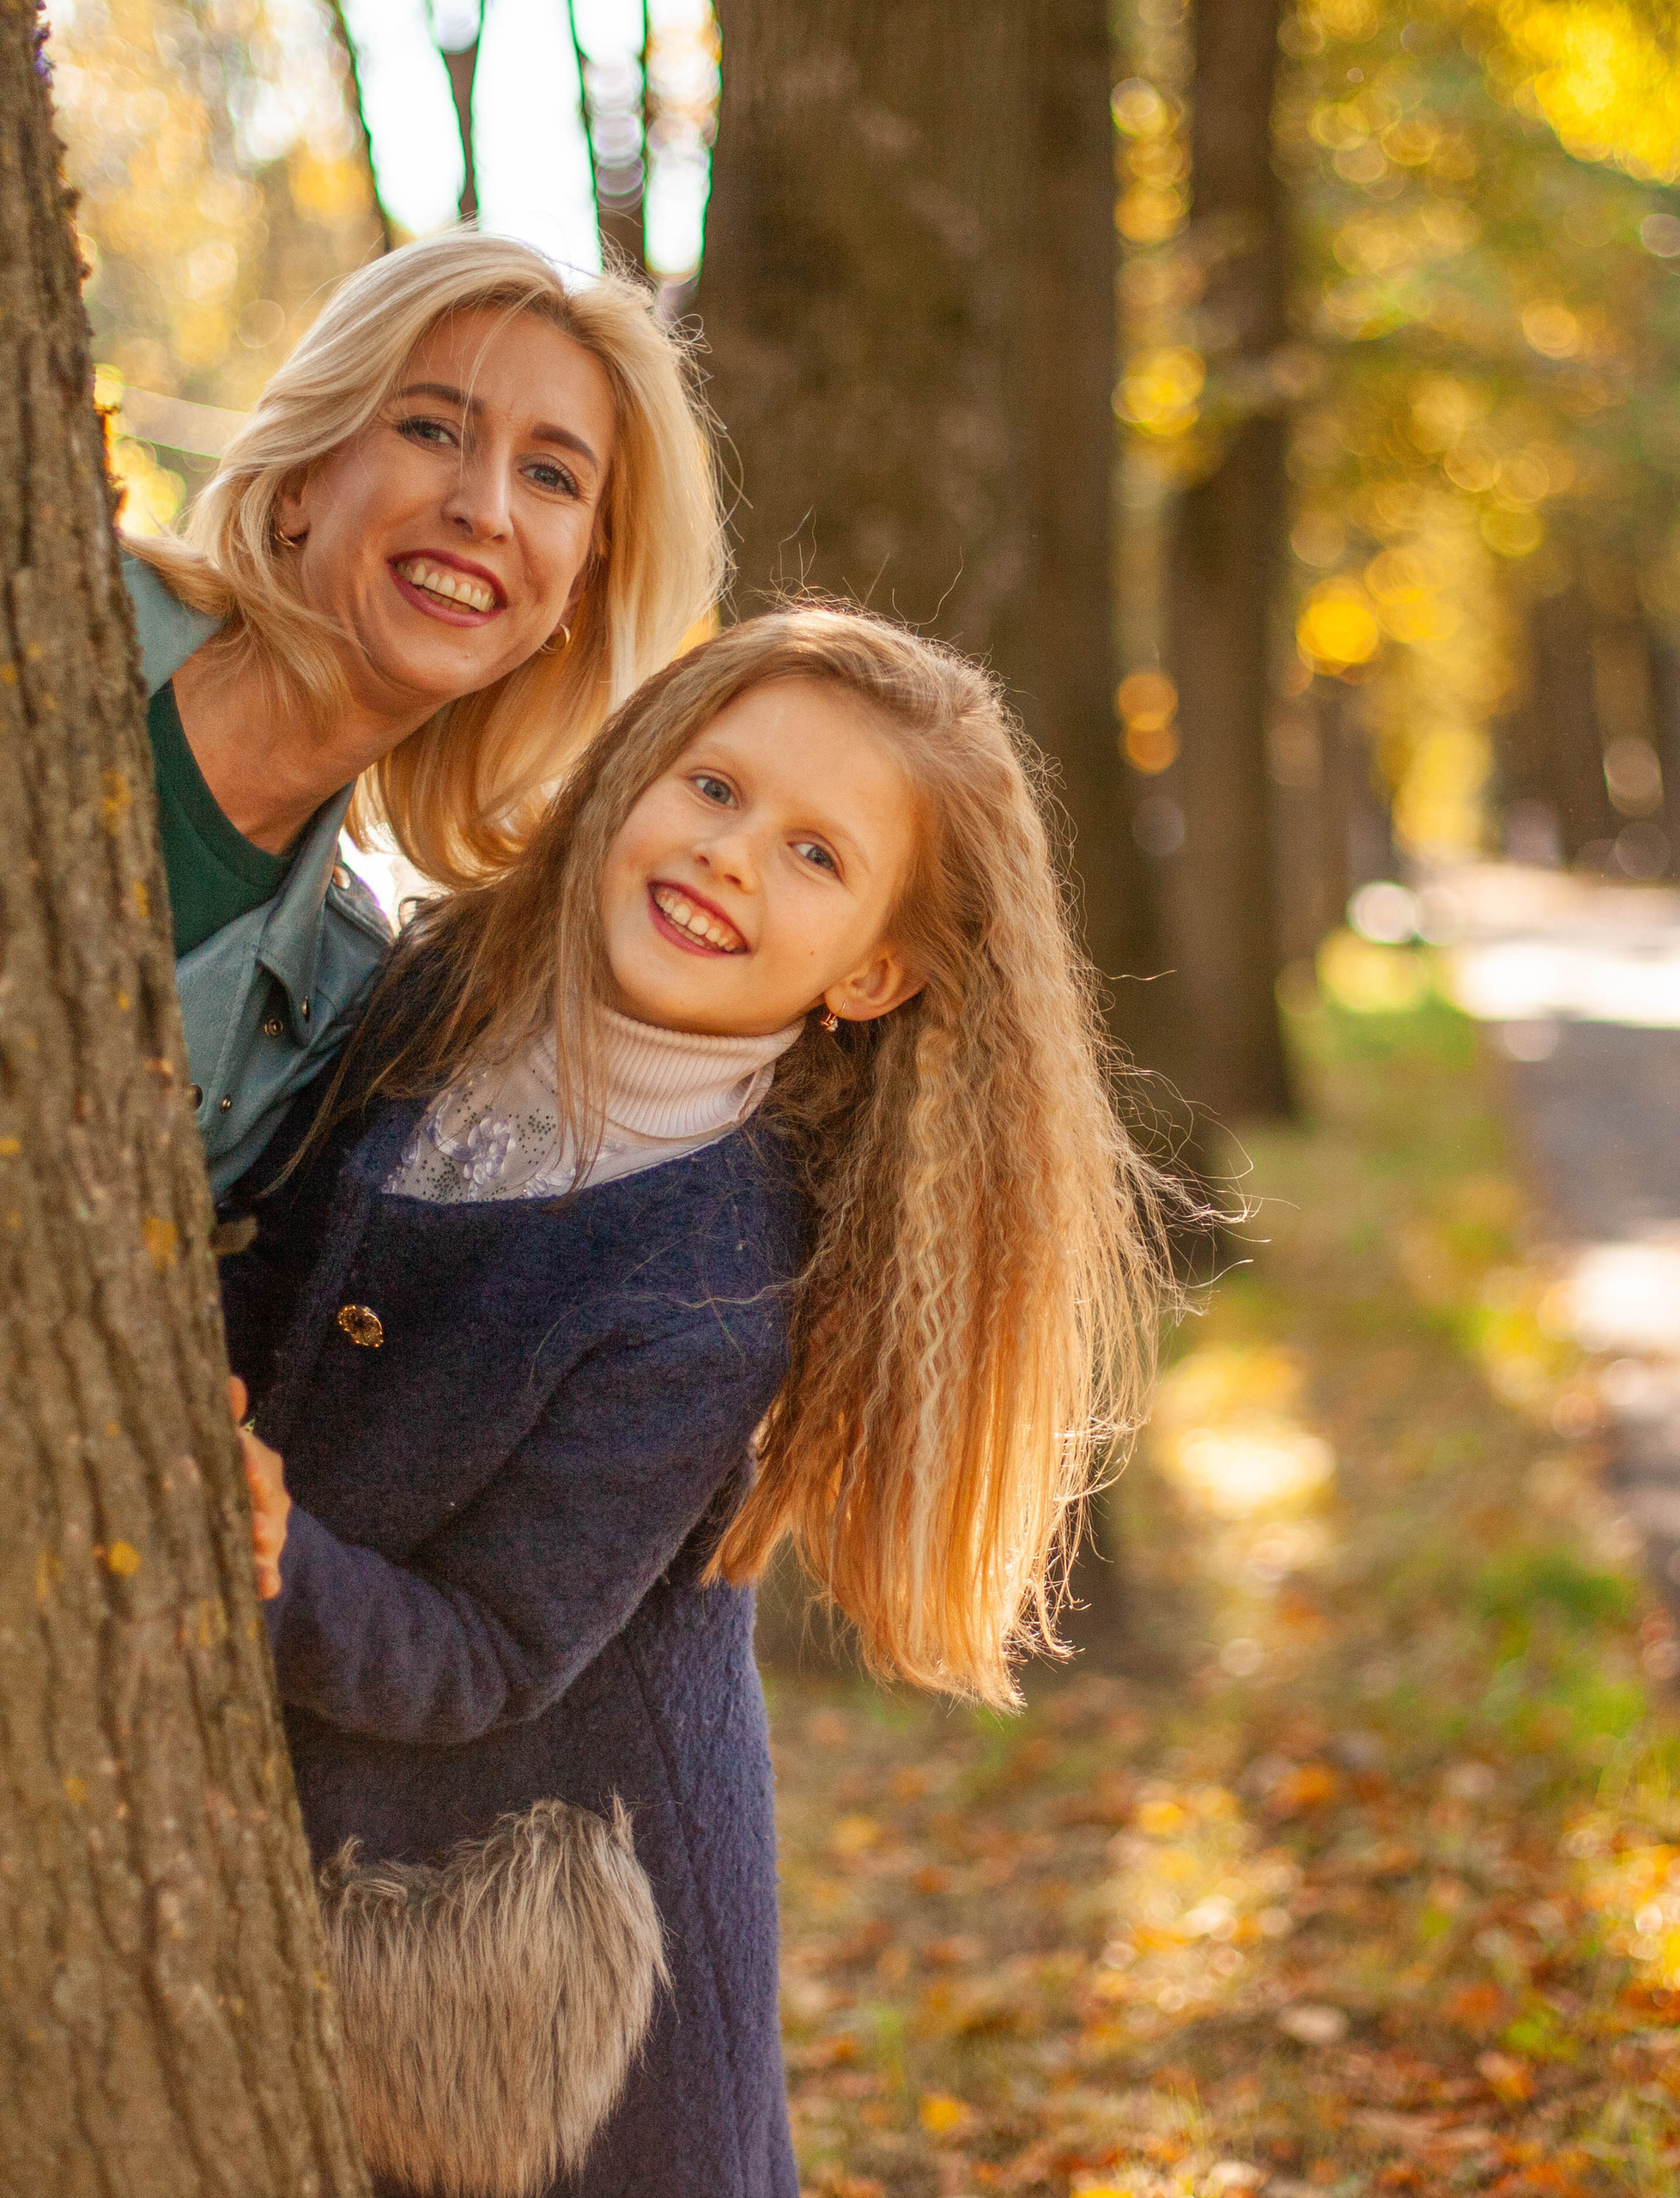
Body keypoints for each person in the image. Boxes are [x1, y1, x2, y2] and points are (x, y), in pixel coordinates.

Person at [223, 604, 1174, 2198]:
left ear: (874, 971)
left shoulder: (713, 1283)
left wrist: (262, 1553)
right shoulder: (433, 997)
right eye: (716, 789)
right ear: (633, 777)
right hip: (323, 1838)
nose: (733, 854)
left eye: (817, 855)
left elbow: (487, 1653)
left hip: (546, 1934)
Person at [127, 232, 721, 1197]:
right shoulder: (50, 615)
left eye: (551, 477)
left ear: (575, 591)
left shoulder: (337, 1007)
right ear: (299, 481)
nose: (486, 511)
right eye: (433, 430)